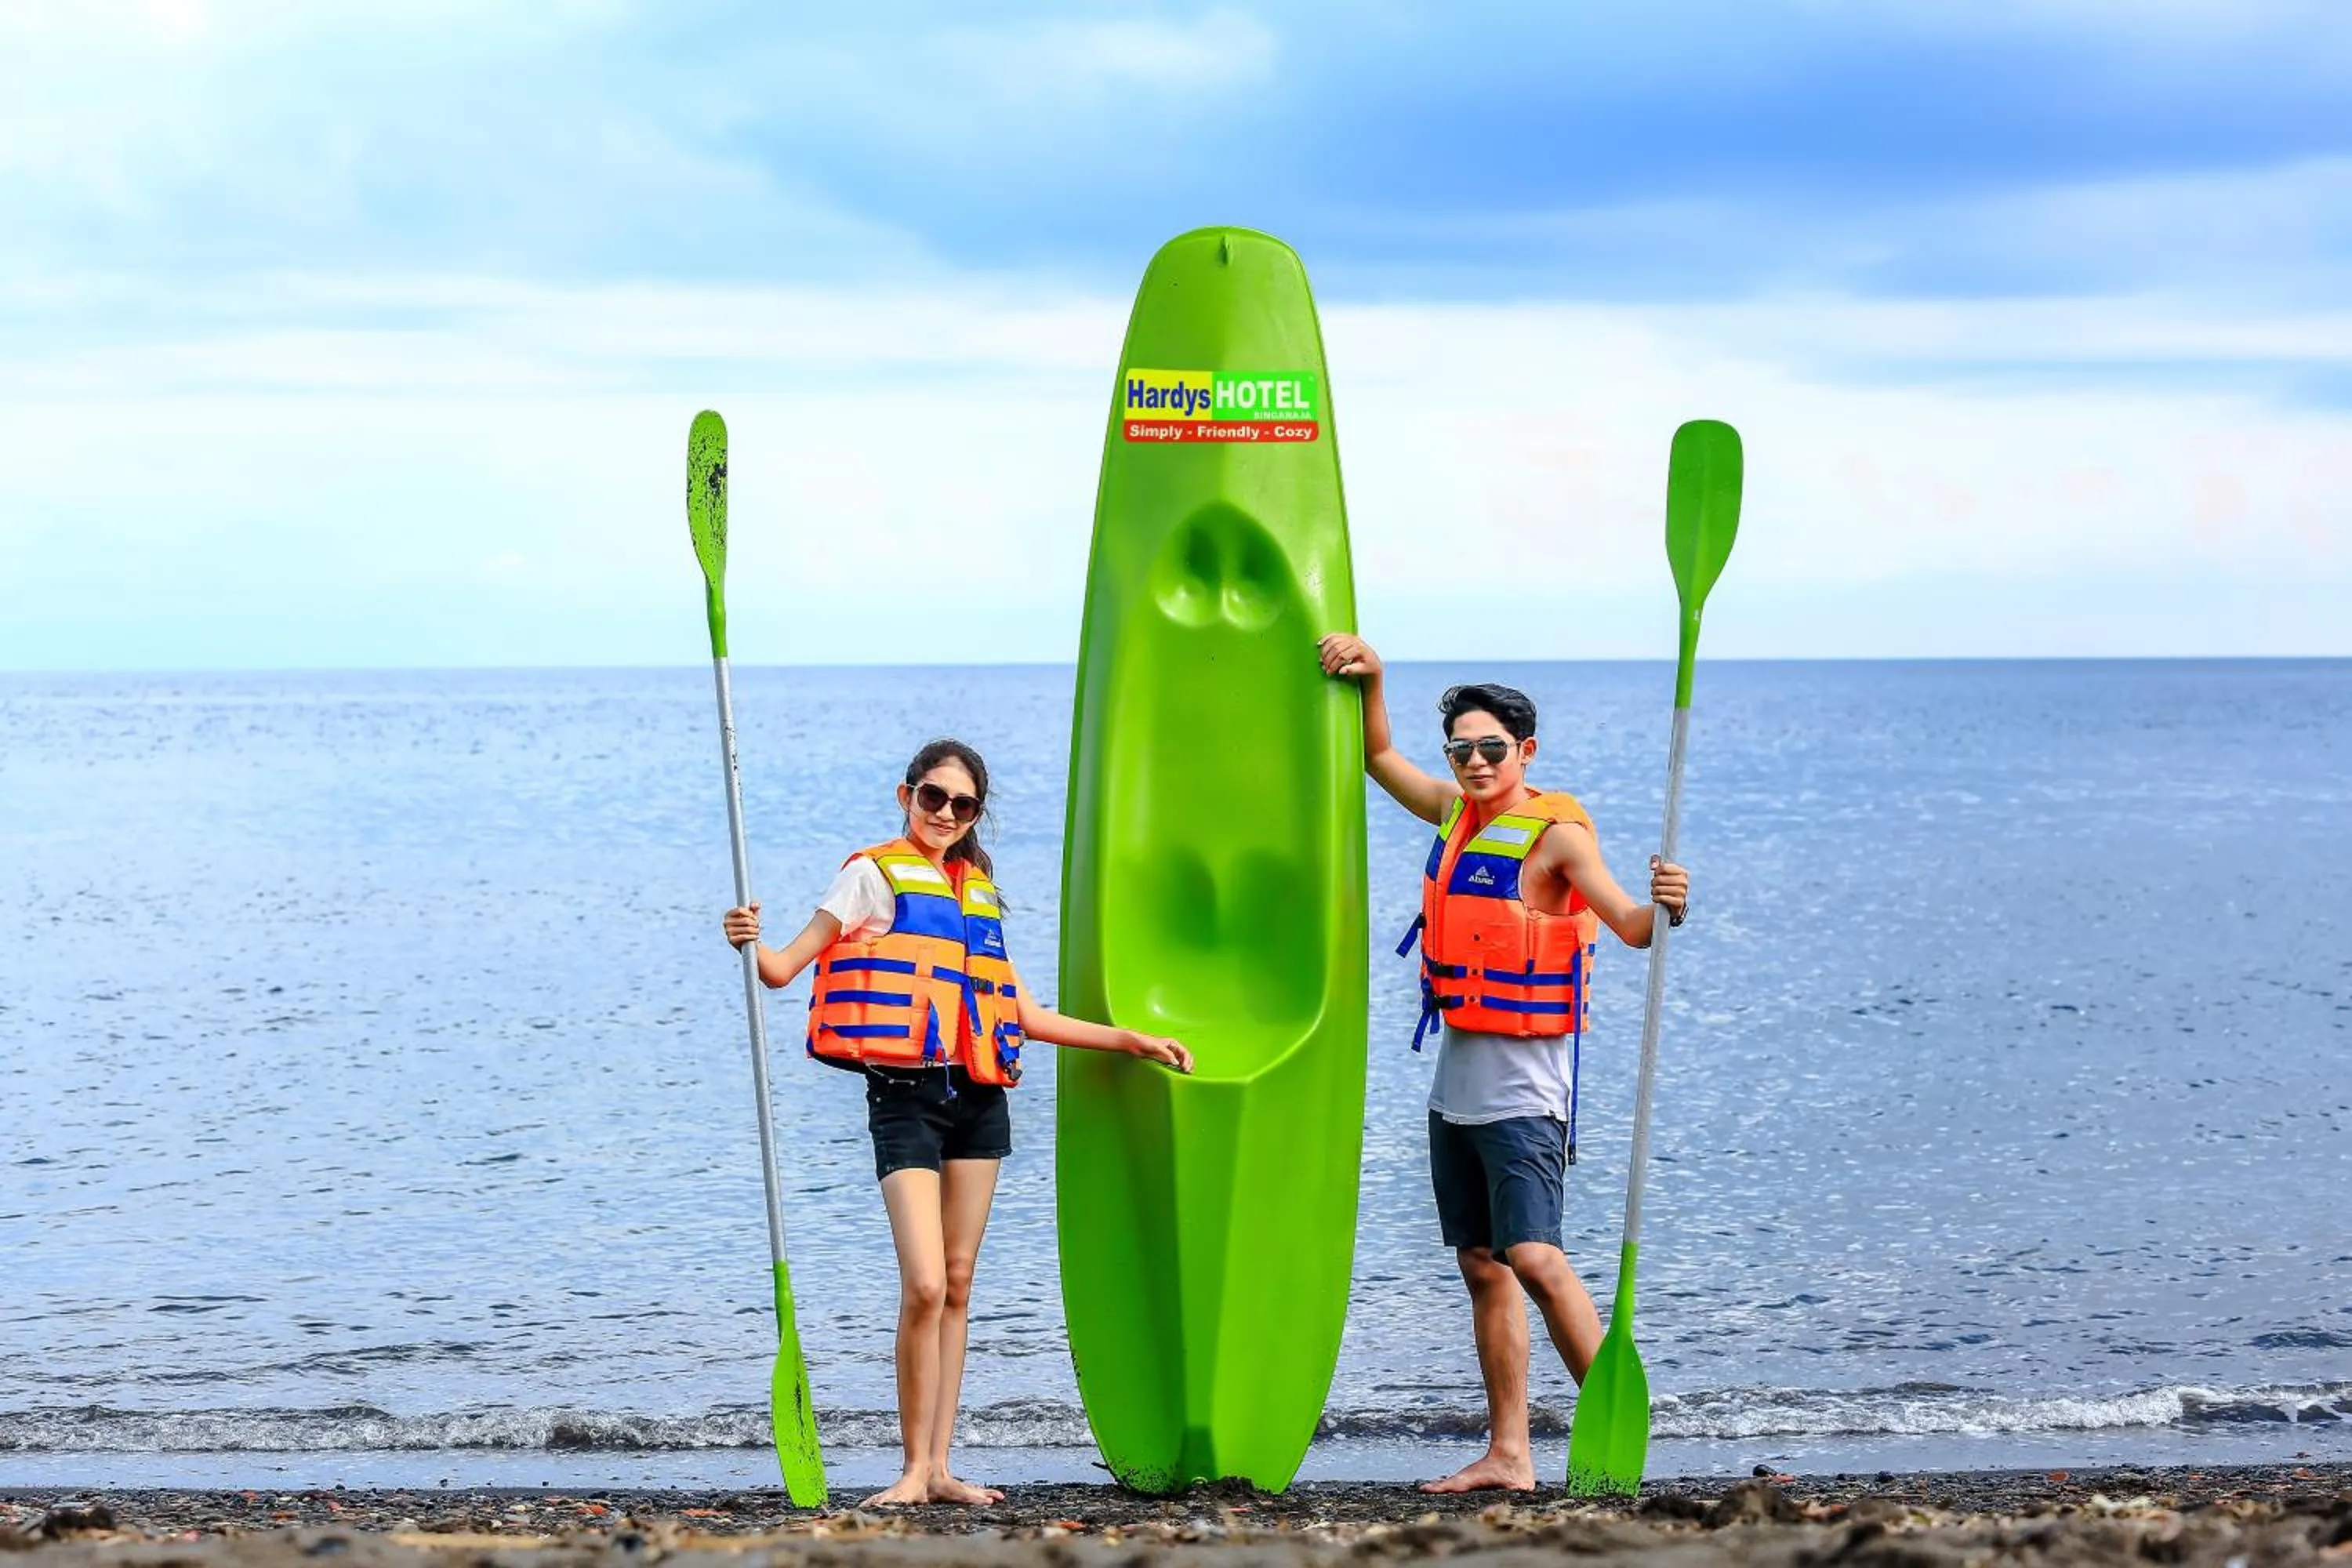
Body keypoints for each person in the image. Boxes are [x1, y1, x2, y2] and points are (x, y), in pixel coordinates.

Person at [722, 737, 1193, 1508]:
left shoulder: (978, 892)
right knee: (925, 1282)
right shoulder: (870, 875)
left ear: (976, 814)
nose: (945, 812)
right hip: (904, 1097)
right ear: (905, 795)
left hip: (977, 1100)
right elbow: (781, 968)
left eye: (962, 804)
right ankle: (912, 1468)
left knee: (960, 1281)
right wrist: (746, 938)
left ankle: (940, 1469)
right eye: (932, 797)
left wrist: (1130, 1040)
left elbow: (1022, 1012)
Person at [1316, 635, 1690, 1494]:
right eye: (1462, 750)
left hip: (1526, 1091)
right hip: (1456, 1088)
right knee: (1482, 1265)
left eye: (1492, 748)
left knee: (1535, 1256)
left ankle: (1617, 1426)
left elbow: (1633, 927)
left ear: (1526, 751)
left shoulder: (1557, 839)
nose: (1476, 762)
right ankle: (1510, 1453)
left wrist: (1670, 901)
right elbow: (1378, 757)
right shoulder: (1455, 814)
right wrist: (1374, 678)